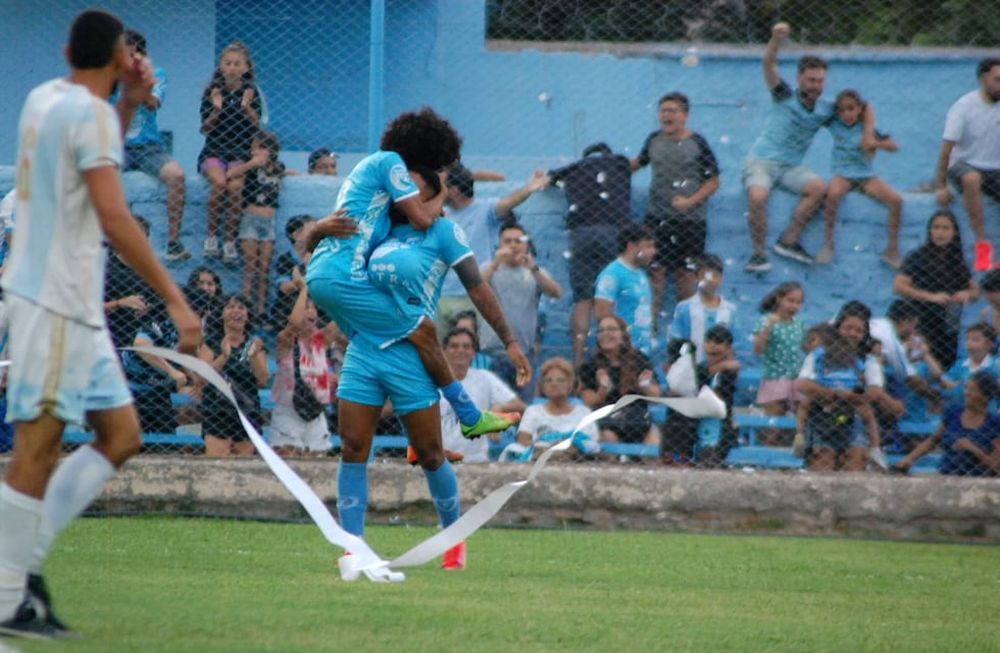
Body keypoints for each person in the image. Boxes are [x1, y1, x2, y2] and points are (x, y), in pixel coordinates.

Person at [0, 9, 201, 638]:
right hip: (54, 300)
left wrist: (132, 101)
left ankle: (20, 570)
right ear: (119, 57)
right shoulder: (87, 115)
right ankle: (6, 597)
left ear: (65, 50)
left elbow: (97, 157)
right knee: (38, 445)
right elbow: (113, 214)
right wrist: (175, 298)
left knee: (121, 435)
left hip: (72, 307)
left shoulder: (45, 98)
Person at [331, 169, 530, 575]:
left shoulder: (445, 233)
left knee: (431, 454)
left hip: (411, 356)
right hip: (365, 350)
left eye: (433, 197)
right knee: (353, 446)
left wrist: (508, 340)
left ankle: (453, 542)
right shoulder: (381, 228)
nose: (428, 203)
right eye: (421, 194)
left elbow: (477, 287)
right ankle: (353, 548)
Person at [306, 108, 526, 439]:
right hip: (342, 278)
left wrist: (316, 231)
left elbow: (476, 283)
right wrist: (442, 189)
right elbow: (423, 218)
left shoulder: (385, 220)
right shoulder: (390, 164)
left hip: (330, 278)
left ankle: (420, 437)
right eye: (429, 177)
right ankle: (466, 416)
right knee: (423, 331)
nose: (413, 192)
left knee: (399, 348)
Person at [742, 22, 870, 272]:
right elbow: (768, 64)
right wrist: (775, 40)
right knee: (758, 196)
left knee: (819, 188)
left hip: (791, 167)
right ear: (800, 78)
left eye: (820, 81)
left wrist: (869, 138)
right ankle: (759, 255)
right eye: (811, 80)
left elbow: (864, 109)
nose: (815, 85)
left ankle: (789, 240)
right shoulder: (784, 95)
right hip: (762, 162)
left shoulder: (826, 108)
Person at [630, 91, 720, 316]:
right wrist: (609, 166)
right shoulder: (653, 140)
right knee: (655, 272)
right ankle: (649, 327)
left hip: (690, 220)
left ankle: (686, 331)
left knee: (686, 275)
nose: (666, 115)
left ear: (685, 115)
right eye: (663, 111)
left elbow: (714, 181)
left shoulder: (697, 143)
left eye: (672, 111)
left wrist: (690, 201)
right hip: (657, 217)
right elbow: (637, 164)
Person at [547, 143, 633, 365]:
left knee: (583, 300)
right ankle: (607, 356)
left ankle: (578, 360)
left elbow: (548, 179)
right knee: (607, 297)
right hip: (613, 231)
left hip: (581, 233)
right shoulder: (620, 163)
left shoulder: (575, 168)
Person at [436, 164, 550, 330]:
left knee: (470, 348)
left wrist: (529, 188)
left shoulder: (485, 210)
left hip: (473, 293)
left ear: (454, 189)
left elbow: (508, 202)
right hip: (442, 295)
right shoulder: (442, 215)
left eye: (443, 185)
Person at [119, 30, 191, 262]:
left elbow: (153, 104)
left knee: (177, 176)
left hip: (148, 147)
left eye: (133, 55)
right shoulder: (109, 77)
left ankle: (173, 243)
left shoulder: (156, 75)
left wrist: (140, 82)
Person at [796, 302, 887, 471]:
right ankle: (801, 439)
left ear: (865, 334)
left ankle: (874, 450)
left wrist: (852, 397)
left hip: (854, 416)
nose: (852, 333)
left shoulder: (867, 360)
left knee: (854, 463)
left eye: (858, 330)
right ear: (838, 328)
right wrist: (833, 394)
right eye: (848, 328)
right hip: (822, 414)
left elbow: (875, 391)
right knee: (823, 464)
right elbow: (802, 383)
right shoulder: (819, 355)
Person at [817, 89, 902, 268]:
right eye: (842, 110)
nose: (847, 114)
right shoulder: (835, 124)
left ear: (859, 110)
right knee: (832, 195)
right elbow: (819, 108)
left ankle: (892, 250)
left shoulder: (868, 129)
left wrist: (875, 143)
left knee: (896, 200)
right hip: (843, 174)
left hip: (865, 176)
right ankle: (828, 244)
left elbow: (894, 146)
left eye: (851, 109)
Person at [479, 222, 562, 396]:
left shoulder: (534, 271)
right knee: (493, 408)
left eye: (518, 241)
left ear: (526, 245)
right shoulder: (489, 267)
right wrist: (496, 263)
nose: (513, 245)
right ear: (500, 244)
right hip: (491, 352)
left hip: (523, 354)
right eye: (507, 241)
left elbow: (556, 292)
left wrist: (533, 268)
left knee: (523, 407)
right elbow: (476, 288)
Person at [198, 41, 262, 264]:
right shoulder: (213, 91)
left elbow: (257, 127)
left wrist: (246, 107)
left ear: (245, 67)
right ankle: (212, 238)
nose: (232, 67)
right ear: (221, 67)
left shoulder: (251, 92)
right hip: (214, 150)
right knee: (220, 184)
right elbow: (204, 128)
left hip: (240, 153)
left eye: (237, 63)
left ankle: (229, 242)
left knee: (235, 188)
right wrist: (216, 108)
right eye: (228, 63)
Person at [893, 210, 978, 370]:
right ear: (930, 230)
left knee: (946, 364)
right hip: (921, 320)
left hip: (949, 323)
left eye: (946, 228)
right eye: (936, 227)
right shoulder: (918, 257)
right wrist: (930, 297)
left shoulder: (957, 261)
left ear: (954, 232)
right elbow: (899, 286)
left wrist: (966, 294)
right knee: (920, 365)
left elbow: (975, 292)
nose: (940, 232)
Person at [932, 58, 1000, 247]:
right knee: (972, 179)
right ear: (983, 79)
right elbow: (947, 149)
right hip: (964, 164)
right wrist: (940, 185)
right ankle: (981, 243)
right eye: (997, 80)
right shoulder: (964, 107)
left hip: (995, 169)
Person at [270, 278, 338, 457]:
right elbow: (294, 323)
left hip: (316, 411)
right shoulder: (287, 341)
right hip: (289, 411)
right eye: (306, 307)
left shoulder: (321, 341)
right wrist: (304, 287)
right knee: (289, 463)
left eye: (313, 307)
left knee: (317, 464)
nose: (311, 311)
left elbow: (342, 317)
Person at [437, 328, 526, 463]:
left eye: (466, 347)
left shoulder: (485, 378)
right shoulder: (430, 381)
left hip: (475, 461)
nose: (460, 350)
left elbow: (521, 407)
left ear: (473, 353)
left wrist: (499, 409)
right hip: (438, 461)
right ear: (444, 351)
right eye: (454, 346)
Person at [224, 130, 286, 321]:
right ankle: (247, 308)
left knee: (264, 268)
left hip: (269, 221)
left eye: (258, 147)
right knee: (250, 268)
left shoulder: (278, 167)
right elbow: (230, 174)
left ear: (269, 149)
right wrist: (252, 163)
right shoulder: (249, 167)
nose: (254, 151)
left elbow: (284, 174)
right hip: (251, 217)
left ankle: (260, 311)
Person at [197, 294, 269, 457]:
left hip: (247, 409)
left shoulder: (254, 343)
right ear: (221, 314)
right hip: (217, 409)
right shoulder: (211, 342)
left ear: (248, 315)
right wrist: (223, 356)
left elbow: (263, 379)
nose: (236, 311)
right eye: (230, 307)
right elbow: (201, 380)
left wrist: (253, 356)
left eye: (241, 308)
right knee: (217, 461)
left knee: (243, 465)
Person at [893, 370, 1000, 476]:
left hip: (977, 479)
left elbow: (996, 466)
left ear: (985, 396)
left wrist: (973, 449)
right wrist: (909, 459)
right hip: (947, 474)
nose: (967, 393)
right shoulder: (953, 413)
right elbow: (933, 441)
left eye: (973, 390)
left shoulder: (994, 424)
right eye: (967, 388)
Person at [579, 315, 661, 448]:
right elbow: (586, 401)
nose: (606, 334)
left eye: (611, 329)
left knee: (653, 439)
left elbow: (656, 396)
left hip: (638, 421)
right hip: (607, 422)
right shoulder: (591, 365)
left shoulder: (639, 360)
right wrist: (602, 391)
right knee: (609, 438)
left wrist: (644, 386)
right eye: (601, 330)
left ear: (623, 334)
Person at [509, 357, 598, 461]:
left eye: (561, 380)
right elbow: (523, 441)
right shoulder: (533, 411)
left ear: (571, 385)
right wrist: (549, 448)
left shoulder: (583, 413)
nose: (554, 384)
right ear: (543, 386)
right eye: (548, 380)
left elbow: (591, 445)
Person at [751, 281, 806, 445]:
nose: (794, 306)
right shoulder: (766, 321)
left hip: (796, 379)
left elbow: (805, 347)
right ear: (779, 299)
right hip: (774, 377)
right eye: (790, 300)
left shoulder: (799, 324)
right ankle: (767, 455)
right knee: (773, 423)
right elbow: (758, 350)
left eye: (798, 302)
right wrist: (769, 327)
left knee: (800, 418)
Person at [594, 223, 656, 356]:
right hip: (622, 352)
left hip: (643, 350)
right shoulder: (612, 274)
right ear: (631, 246)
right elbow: (601, 312)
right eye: (648, 246)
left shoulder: (641, 274)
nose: (653, 251)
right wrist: (624, 333)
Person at [668, 254, 736, 364]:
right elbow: (676, 339)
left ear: (721, 278)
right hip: (690, 370)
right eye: (705, 275)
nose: (710, 280)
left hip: (719, 371)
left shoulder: (730, 310)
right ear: (696, 277)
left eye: (715, 275)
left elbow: (735, 343)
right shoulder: (684, 308)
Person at [938, 323, 998, 406]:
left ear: (990, 344)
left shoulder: (995, 366)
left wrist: (958, 385)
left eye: (975, 340)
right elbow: (946, 381)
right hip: (958, 409)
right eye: (968, 339)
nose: (969, 343)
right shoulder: (961, 364)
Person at [272, 215, 316, 325]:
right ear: (296, 235)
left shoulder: (318, 257)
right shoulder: (285, 259)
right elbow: (285, 288)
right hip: (289, 308)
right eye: (312, 231)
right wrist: (304, 280)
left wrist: (300, 281)